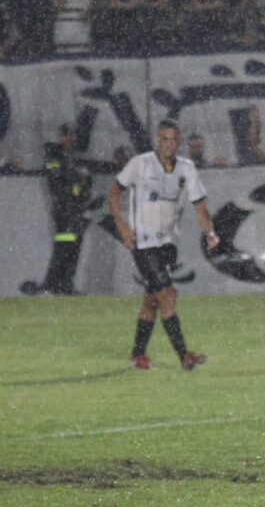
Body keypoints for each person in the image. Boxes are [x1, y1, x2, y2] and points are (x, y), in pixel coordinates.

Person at [108, 119, 219, 371]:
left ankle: (137, 355)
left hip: (168, 244)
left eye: (173, 140)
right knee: (168, 295)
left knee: (152, 300)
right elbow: (113, 192)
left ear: (179, 142)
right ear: (158, 139)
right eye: (165, 139)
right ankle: (184, 356)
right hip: (144, 243)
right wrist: (122, 226)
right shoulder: (140, 164)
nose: (169, 144)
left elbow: (199, 206)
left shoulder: (186, 169)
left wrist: (210, 232)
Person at [23, 124, 93, 296]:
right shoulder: (54, 155)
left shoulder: (72, 157)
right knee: (64, 247)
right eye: (66, 135)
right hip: (64, 210)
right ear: (60, 137)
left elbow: (82, 183)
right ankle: (54, 283)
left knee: (73, 247)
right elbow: (57, 180)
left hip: (75, 209)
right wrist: (77, 177)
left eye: (71, 135)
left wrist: (82, 186)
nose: (70, 138)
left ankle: (64, 283)